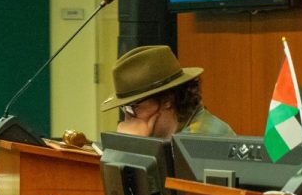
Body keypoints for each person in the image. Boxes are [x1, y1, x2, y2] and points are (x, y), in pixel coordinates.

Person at [100, 45, 234, 139]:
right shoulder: (166, 137)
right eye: (125, 108)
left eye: (134, 107)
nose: (128, 119)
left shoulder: (203, 138)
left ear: (167, 100)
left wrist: (133, 147)